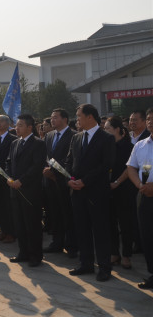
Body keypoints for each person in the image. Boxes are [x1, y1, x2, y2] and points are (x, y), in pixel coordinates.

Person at [66, 104, 115, 282]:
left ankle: (104, 267)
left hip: (96, 192)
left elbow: (106, 164)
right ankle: (86, 263)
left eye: (79, 115)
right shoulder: (76, 137)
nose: (77, 119)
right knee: (82, 228)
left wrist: (85, 181)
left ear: (90, 117)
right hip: (77, 192)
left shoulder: (106, 138)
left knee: (100, 231)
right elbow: (69, 161)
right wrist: (70, 179)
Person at [6, 114, 47, 267]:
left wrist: (21, 180)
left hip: (30, 190)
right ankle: (23, 252)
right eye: (16, 125)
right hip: (15, 190)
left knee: (32, 224)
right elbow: (8, 162)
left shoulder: (38, 143)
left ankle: (35, 255)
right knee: (19, 223)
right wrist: (9, 177)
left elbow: (37, 166)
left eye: (20, 125)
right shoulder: (15, 143)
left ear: (30, 127)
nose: (17, 128)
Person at [43, 108, 78, 257]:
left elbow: (72, 159)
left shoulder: (74, 135)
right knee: (54, 213)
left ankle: (71, 245)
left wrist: (56, 173)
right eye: (51, 117)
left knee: (68, 214)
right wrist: (47, 170)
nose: (52, 120)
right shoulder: (49, 135)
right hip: (50, 182)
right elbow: (46, 156)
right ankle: (56, 242)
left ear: (65, 119)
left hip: (65, 181)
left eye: (55, 117)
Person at [125, 107, 153, 290]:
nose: (150, 122)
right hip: (144, 195)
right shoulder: (140, 145)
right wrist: (140, 185)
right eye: (149, 119)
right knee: (148, 236)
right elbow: (131, 167)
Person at [105, 116, 135, 270]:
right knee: (110, 223)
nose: (105, 131)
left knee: (125, 224)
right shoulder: (106, 146)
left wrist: (117, 182)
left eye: (108, 128)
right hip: (108, 190)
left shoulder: (128, 146)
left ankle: (126, 255)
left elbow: (130, 168)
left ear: (117, 129)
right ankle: (114, 253)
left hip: (124, 189)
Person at [0, 115, 17, 244]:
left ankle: (11, 233)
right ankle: (3, 230)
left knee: (9, 207)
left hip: (7, 177)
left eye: (1, 121)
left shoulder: (13, 139)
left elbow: (11, 158)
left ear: (7, 124)